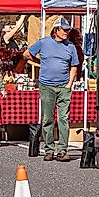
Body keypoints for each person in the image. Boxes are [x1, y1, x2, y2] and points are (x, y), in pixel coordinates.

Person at [28, 17, 80, 161]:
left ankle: (62, 150)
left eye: (68, 30)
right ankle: (49, 149)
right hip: (47, 86)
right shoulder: (44, 43)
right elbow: (27, 54)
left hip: (63, 86)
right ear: (56, 30)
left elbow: (74, 65)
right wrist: (41, 62)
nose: (66, 32)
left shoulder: (70, 47)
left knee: (63, 118)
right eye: (64, 29)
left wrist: (69, 84)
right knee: (47, 119)